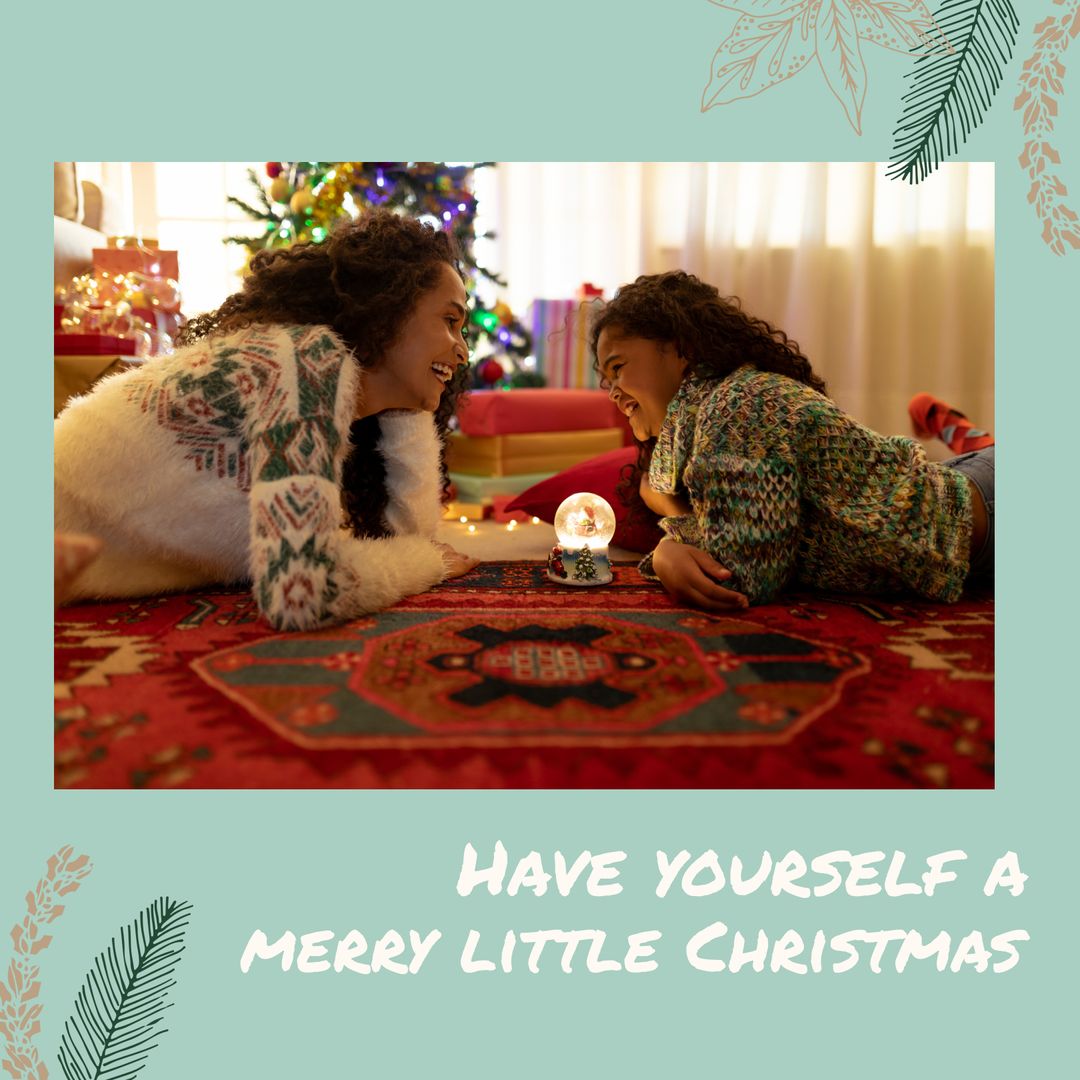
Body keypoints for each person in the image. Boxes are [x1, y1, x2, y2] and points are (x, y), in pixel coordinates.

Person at [54, 210, 479, 630]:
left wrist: (409, 414)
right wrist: (431, 562)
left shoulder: (334, 394)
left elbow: (404, 538)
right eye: (450, 321)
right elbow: (307, 594)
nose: (463, 351)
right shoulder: (301, 361)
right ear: (387, 311)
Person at [590, 271, 993, 613]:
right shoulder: (692, 436)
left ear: (683, 347)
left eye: (619, 367)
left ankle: (956, 428)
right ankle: (955, 427)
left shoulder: (739, 404)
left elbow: (746, 574)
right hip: (953, 482)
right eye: (607, 381)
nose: (613, 393)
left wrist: (667, 541)